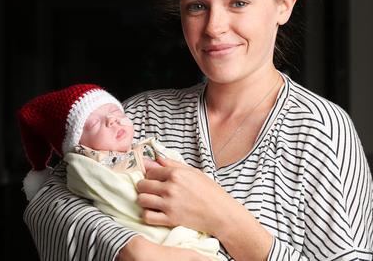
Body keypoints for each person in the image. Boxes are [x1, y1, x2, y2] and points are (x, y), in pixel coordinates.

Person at [22, 0, 373, 260]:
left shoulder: (322, 132)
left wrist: (226, 220)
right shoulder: (140, 116)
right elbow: (47, 203)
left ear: (283, 5)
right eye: (197, 6)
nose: (214, 27)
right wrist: (133, 251)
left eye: (238, 2)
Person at [17, 84, 221, 260]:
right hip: (158, 239)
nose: (112, 121)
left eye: (117, 113)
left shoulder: (147, 147)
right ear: (79, 147)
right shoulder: (87, 165)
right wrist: (135, 250)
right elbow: (51, 207)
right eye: (95, 123)